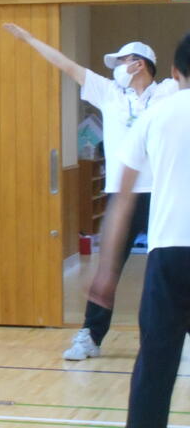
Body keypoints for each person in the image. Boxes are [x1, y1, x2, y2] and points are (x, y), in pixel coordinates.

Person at [3, 23, 177, 360]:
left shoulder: (168, 92)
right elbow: (66, 65)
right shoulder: (109, 92)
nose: (115, 70)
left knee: (168, 269)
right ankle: (90, 336)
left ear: (139, 64)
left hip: (162, 194)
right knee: (107, 268)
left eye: (121, 62)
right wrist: (29, 39)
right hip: (120, 196)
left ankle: (171, 339)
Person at [91, 32, 190, 427]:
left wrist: (106, 270)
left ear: (174, 71)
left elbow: (123, 198)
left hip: (168, 256)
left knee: (155, 365)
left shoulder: (156, 115)